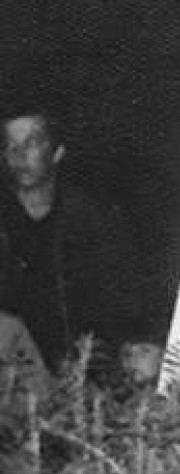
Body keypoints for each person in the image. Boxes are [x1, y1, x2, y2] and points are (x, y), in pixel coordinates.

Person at [0, 99, 140, 374]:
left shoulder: (92, 220)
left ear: (57, 152)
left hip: (79, 369)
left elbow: (122, 302)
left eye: (31, 143)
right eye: (9, 146)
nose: (18, 155)